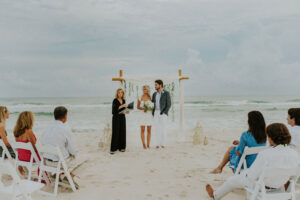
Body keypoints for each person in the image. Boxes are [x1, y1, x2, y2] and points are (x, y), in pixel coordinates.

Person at [206, 123, 299, 200]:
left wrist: (244, 174)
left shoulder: (265, 154)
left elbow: (252, 176)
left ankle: (215, 195)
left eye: (268, 136)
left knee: (233, 180)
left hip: (261, 187)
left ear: (270, 138)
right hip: (279, 185)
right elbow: (293, 176)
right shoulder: (295, 154)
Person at [42, 106, 82, 188]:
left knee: (64, 152)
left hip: (46, 162)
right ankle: (67, 175)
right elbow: (73, 151)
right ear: (65, 116)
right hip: (59, 164)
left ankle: (61, 174)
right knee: (81, 158)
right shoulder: (65, 129)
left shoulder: (46, 128)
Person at [14, 111, 42, 177]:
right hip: (30, 157)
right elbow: (34, 148)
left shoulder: (16, 131)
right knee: (46, 156)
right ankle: (42, 177)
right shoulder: (28, 131)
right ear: (29, 120)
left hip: (21, 157)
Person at [152, 80, 171, 149]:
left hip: (163, 113)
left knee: (163, 128)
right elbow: (152, 103)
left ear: (160, 85)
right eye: (155, 85)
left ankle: (163, 144)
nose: (155, 86)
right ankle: (158, 143)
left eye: (156, 85)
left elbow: (169, 104)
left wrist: (164, 112)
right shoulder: (154, 94)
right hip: (156, 112)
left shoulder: (166, 93)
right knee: (157, 129)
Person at [111, 88, 128, 154]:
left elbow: (124, 110)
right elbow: (114, 110)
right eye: (119, 92)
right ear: (117, 93)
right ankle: (113, 149)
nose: (120, 94)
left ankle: (122, 147)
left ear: (123, 93)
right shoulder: (115, 100)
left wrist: (127, 111)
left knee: (122, 131)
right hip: (116, 118)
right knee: (115, 132)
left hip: (122, 117)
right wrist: (122, 106)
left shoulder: (123, 100)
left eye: (121, 92)